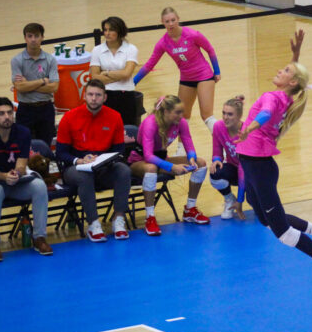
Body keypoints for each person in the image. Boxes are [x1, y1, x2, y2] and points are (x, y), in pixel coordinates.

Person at [236, 30, 312, 301]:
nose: (279, 70)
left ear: (292, 80)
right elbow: (292, 82)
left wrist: (249, 127)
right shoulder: (286, 96)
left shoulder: (274, 98)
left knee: (283, 233)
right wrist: (295, 57)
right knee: (265, 218)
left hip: (260, 167)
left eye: (285, 69)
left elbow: (263, 115)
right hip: (252, 165)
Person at [0, 97, 53, 262]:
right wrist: (4, 177)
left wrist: (16, 174)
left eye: (9, 113)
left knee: (38, 185)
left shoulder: (22, 132)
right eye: (1, 114)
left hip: (13, 183)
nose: (7, 117)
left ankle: (39, 238)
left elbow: (22, 166)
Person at [56, 79, 132, 241]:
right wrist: (79, 161)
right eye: (90, 94)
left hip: (103, 166)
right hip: (75, 167)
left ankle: (118, 219)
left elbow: (119, 150)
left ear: (104, 97)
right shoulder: (69, 117)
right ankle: (93, 223)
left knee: (124, 170)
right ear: (84, 96)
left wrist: (102, 160)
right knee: (85, 176)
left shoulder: (115, 116)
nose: (93, 98)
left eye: (98, 95)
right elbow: (60, 153)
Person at [127, 95, 209, 236]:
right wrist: (171, 167)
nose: (181, 115)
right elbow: (148, 156)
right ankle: (150, 217)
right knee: (151, 168)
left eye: (182, 112)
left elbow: (188, 142)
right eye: (177, 112)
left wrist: (192, 159)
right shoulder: (150, 123)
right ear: (165, 112)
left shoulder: (181, 122)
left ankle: (190, 209)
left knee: (201, 164)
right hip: (139, 162)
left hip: (161, 161)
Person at [133, 7, 221, 135]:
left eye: (173, 20)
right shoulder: (163, 43)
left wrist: (217, 71)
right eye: (167, 21)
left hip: (204, 76)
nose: (171, 24)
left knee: (206, 116)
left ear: (178, 19)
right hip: (186, 79)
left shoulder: (192, 35)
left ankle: (224, 144)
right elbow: (149, 64)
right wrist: (133, 82)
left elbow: (210, 49)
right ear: (162, 22)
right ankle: (181, 150)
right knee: (181, 117)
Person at [11, 23, 59, 145]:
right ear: (25, 38)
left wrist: (28, 85)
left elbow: (54, 87)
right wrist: (42, 81)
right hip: (25, 109)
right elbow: (20, 87)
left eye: (36, 36)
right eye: (29, 36)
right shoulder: (17, 60)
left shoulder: (50, 60)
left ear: (42, 37)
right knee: (24, 146)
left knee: (45, 146)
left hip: (46, 109)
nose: (33, 39)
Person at [89, 16, 141, 126]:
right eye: (105, 30)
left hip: (126, 96)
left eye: (111, 30)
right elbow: (95, 77)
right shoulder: (97, 50)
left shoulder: (131, 49)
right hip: (105, 96)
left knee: (127, 132)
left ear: (119, 31)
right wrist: (120, 75)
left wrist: (106, 73)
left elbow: (127, 74)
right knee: (105, 130)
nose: (107, 33)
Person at [210, 96, 246, 220]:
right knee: (216, 173)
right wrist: (216, 160)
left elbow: (243, 170)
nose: (225, 117)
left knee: (255, 203)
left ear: (239, 116)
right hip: (234, 168)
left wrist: (240, 201)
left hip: (252, 173)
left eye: (230, 114)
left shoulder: (245, 133)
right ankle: (229, 199)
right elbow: (216, 151)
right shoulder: (218, 126)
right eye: (224, 113)